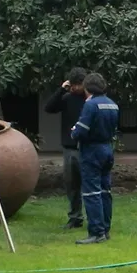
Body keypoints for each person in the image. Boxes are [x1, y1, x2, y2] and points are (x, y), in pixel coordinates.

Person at [69, 72, 119, 244]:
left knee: (91, 192)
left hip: (92, 150)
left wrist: (73, 132)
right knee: (105, 190)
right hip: (108, 148)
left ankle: (96, 232)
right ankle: (105, 229)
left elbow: (81, 131)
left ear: (87, 88)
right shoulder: (112, 104)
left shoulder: (90, 105)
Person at [43, 67, 89, 230]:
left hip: (87, 147)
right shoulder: (68, 98)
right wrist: (61, 89)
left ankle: (94, 218)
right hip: (70, 147)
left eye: (79, 84)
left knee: (89, 185)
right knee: (72, 185)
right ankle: (75, 217)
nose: (76, 88)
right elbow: (49, 108)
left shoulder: (90, 100)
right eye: (73, 84)